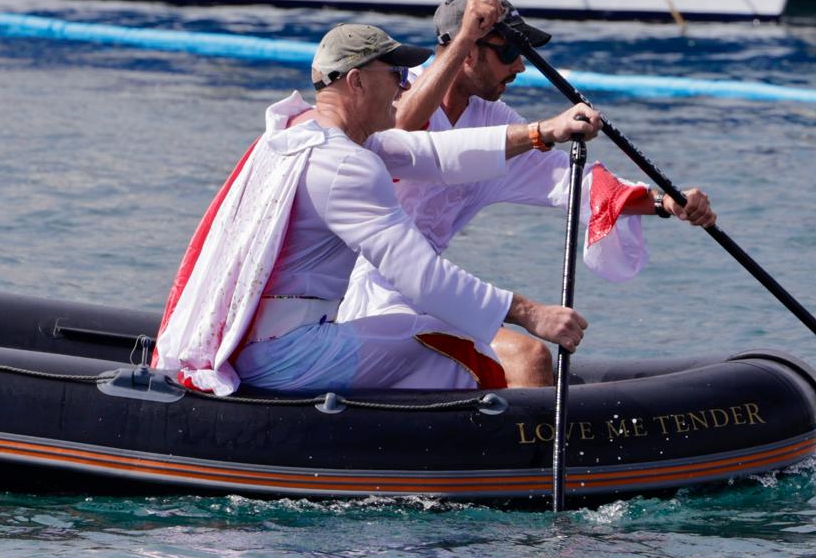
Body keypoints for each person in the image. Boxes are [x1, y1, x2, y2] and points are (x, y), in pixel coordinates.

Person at [153, 22, 604, 396]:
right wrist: (529, 312)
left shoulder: (296, 131)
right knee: (476, 352)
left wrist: (544, 131)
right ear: (357, 81)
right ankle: (494, 463)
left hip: (251, 339)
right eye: (395, 73)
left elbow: (437, 154)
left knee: (426, 338)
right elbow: (423, 277)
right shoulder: (345, 165)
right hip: (287, 355)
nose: (406, 85)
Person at [338, 0, 716, 387]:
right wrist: (466, 34)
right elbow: (401, 133)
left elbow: (573, 181)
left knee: (527, 357)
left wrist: (664, 202)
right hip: (365, 299)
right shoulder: (392, 96)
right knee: (528, 356)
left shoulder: (492, 119)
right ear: (467, 53)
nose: (520, 66)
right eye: (508, 53)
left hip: (429, 292)